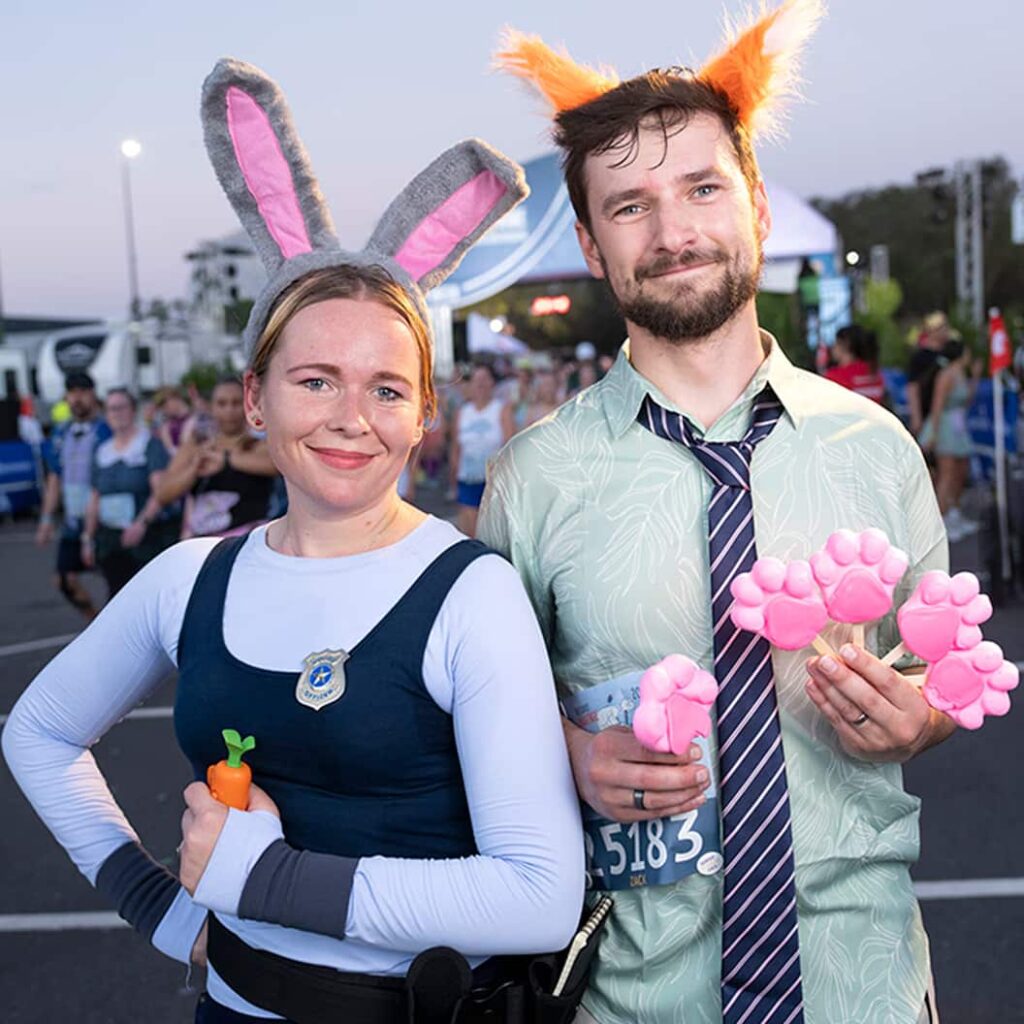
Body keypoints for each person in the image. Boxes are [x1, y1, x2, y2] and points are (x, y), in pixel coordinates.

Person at [3, 58, 585, 1024]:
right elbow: (38, 732)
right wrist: (158, 909)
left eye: (387, 389)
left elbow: (539, 896)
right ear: (255, 398)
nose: (351, 417)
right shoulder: (190, 578)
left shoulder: (470, 592)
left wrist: (269, 879)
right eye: (315, 381)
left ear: (422, 414)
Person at [488, 8, 951, 1024]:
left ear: (757, 207)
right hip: (632, 996)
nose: (673, 233)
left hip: (863, 985)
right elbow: (481, 717)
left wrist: (922, 716)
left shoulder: (876, 447)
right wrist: (568, 754)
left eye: (702, 188)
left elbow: (942, 668)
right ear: (589, 243)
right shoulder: (534, 478)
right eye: (630, 206)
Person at [81, 387, 177, 599]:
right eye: (111, 409)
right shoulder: (102, 451)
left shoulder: (149, 444)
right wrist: (87, 537)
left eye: (121, 407)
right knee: (115, 596)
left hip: (144, 538)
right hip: (110, 539)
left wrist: (141, 523)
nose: (116, 413)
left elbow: (160, 491)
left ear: (133, 410)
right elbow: (95, 496)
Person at [153, 377, 278, 538]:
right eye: (222, 404)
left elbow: (275, 466)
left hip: (249, 540)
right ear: (211, 407)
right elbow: (162, 494)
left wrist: (226, 460)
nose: (229, 410)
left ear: (247, 406)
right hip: (204, 543)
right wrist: (193, 469)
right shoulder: (196, 446)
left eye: (236, 403)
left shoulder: (259, 445)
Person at [35, 372, 111, 620]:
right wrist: (46, 519)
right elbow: (54, 477)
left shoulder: (106, 430)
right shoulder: (60, 433)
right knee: (64, 580)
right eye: (72, 392)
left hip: (102, 519)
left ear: (93, 394)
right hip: (73, 520)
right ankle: (96, 623)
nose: (77, 398)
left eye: (82, 392)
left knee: (114, 579)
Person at [919, 339, 979, 540]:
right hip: (945, 428)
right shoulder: (946, 375)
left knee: (960, 472)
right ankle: (940, 522)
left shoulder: (961, 374)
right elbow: (937, 405)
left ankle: (954, 514)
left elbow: (966, 401)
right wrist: (933, 434)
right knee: (947, 475)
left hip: (958, 427)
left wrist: (975, 377)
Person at [449, 363, 504, 537]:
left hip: (493, 481)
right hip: (468, 478)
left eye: (485, 379)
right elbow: (455, 448)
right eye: (476, 379)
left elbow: (510, 446)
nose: (480, 384)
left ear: (492, 383)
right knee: (469, 533)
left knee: (493, 533)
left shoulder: (501, 409)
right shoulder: (462, 412)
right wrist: (453, 481)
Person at [907, 312, 952, 438]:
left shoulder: (949, 354)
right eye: (943, 327)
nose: (946, 331)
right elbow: (913, 387)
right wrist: (916, 417)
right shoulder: (920, 357)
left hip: (944, 413)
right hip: (925, 409)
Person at [825, 324, 886, 403]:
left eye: (836, 343)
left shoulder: (835, 376)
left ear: (846, 344)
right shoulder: (875, 373)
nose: (833, 347)